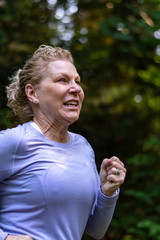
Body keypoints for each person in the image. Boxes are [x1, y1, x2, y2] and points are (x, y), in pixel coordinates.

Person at [0, 45, 126, 240]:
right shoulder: (14, 142)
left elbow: (95, 230)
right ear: (32, 93)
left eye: (77, 81)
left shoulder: (83, 147)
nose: (76, 88)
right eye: (62, 80)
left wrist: (106, 193)